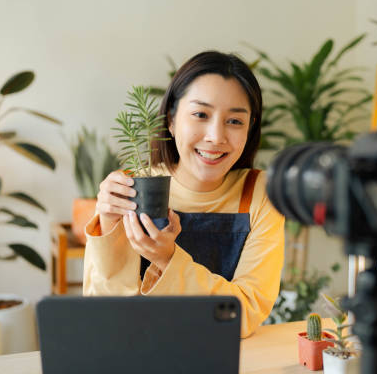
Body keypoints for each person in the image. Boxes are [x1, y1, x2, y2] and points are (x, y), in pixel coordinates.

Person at [82, 51, 285, 338]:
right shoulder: (130, 188)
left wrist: (168, 260)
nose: (216, 136)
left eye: (235, 121)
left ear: (250, 129)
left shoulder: (260, 194)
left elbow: (244, 312)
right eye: (201, 115)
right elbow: (104, 316)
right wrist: (108, 225)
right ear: (171, 120)